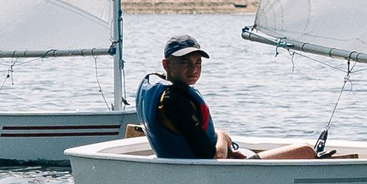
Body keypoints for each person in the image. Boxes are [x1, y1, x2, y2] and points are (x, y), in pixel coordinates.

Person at [135, 35, 315, 160]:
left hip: (192, 166)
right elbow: (214, 156)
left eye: (198, 63)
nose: (194, 69)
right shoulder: (175, 100)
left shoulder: (157, 88)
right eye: (185, 63)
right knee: (305, 151)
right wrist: (222, 136)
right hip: (214, 172)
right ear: (166, 64)